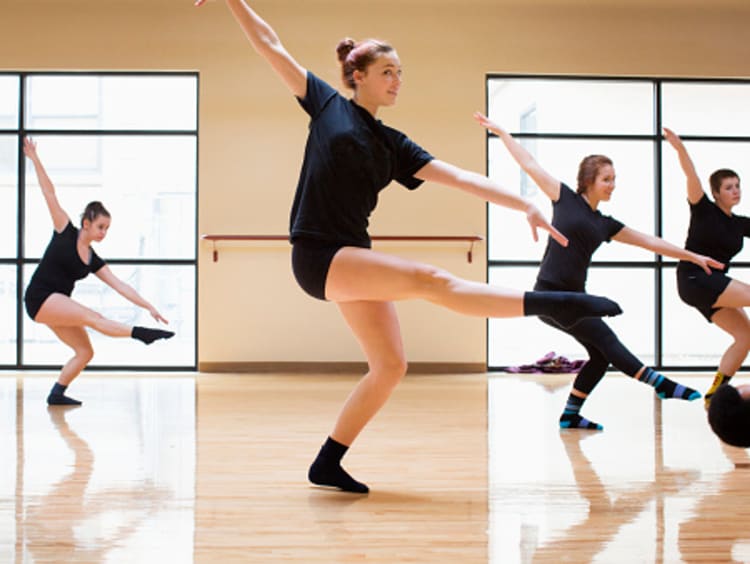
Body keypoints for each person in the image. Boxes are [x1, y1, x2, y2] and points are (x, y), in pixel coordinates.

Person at [196, 0, 625, 493]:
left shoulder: (393, 144)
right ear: (357, 75)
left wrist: (523, 203)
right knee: (430, 279)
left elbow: (461, 177)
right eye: (387, 71)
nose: (397, 80)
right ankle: (562, 303)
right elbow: (270, 44)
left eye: (400, 72)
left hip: (351, 256)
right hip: (318, 255)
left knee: (391, 365)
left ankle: (327, 462)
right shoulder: (326, 103)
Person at [474, 113, 723, 432]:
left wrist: (693, 256)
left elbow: (649, 241)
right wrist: (502, 133)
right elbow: (530, 164)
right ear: (589, 179)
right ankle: (657, 382)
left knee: (600, 355)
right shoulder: (564, 198)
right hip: (551, 294)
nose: (612, 186)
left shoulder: (604, 223)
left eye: (614, 179)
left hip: (574, 299)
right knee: (605, 337)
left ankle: (570, 415)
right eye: (607, 179)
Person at [23, 138, 174, 406]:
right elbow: (49, 193)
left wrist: (149, 306)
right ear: (86, 223)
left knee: (84, 351)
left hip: (57, 304)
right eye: (101, 227)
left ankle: (56, 394)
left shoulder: (92, 259)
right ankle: (141, 334)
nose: (103, 233)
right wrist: (34, 158)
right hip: (40, 297)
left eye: (107, 229)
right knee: (94, 317)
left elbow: (120, 286)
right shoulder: (64, 231)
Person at [663, 127, 750, 408]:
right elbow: (692, 176)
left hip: (712, 286)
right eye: (728, 187)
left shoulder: (739, 224)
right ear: (715, 193)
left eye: (738, 186)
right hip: (694, 279)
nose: (735, 191)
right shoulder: (703, 209)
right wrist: (680, 149)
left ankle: (714, 394)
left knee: (746, 336)